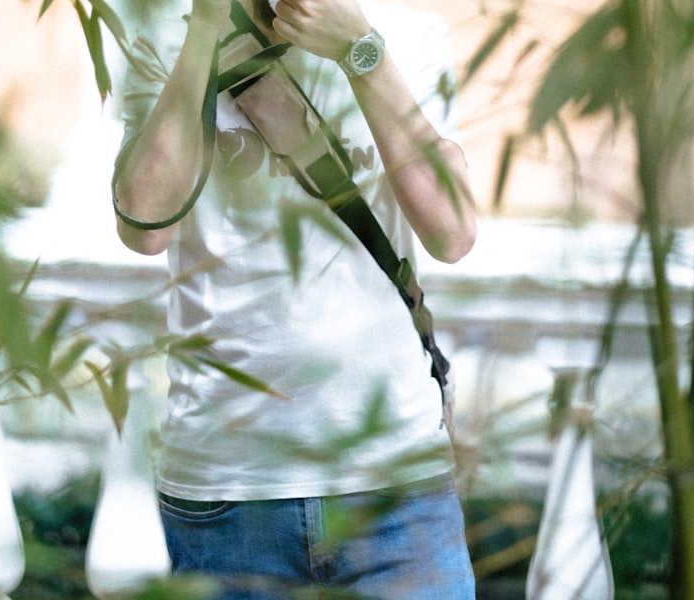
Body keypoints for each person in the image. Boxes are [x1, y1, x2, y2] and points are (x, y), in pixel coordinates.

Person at [112, 0, 477, 597]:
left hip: (395, 483)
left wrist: (361, 52)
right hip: (227, 488)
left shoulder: (407, 30)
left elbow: (452, 232)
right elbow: (145, 227)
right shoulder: (165, 30)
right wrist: (204, 29)